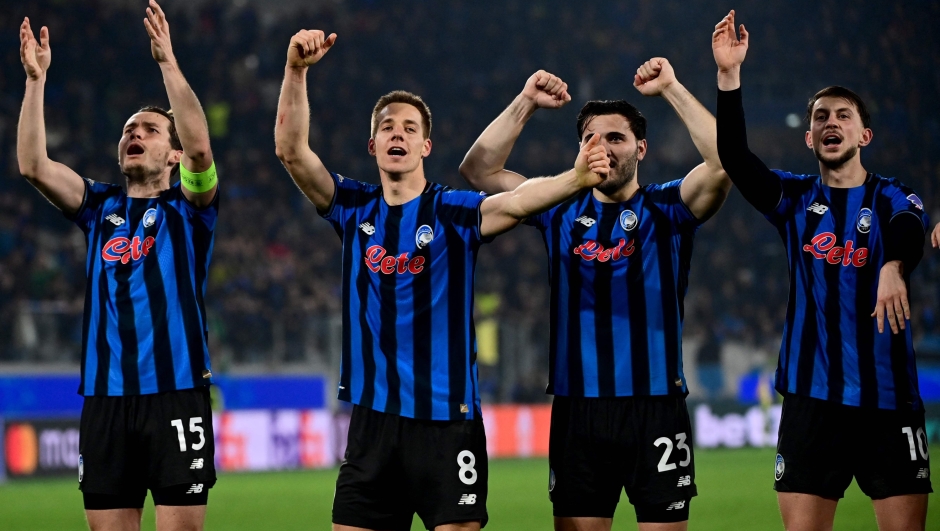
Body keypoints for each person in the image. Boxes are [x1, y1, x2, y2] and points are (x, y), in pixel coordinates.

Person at [273, 29, 611, 531]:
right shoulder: (353, 207)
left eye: (410, 128)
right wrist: (296, 71)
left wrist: (576, 178)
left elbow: (514, 202)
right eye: (387, 127)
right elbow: (291, 152)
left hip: (448, 422)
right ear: (372, 144)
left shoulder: (451, 210)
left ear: (425, 145)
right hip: (373, 423)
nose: (398, 134)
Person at [459, 60, 730, 531]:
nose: (601, 148)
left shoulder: (667, 208)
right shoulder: (556, 204)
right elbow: (478, 169)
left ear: (641, 149)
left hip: (656, 405)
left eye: (615, 138)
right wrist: (525, 102)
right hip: (578, 408)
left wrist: (671, 88)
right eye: (590, 139)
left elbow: (725, 162)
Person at [712, 10, 932, 531]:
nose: (830, 122)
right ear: (809, 139)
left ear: (866, 134)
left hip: (889, 401)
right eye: (820, 117)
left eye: (843, 115)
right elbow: (737, 158)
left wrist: (894, 266)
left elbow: (909, 224)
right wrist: (728, 77)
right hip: (812, 404)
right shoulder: (793, 199)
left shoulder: (890, 195)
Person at [17, 2, 219, 529]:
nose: (135, 133)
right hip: (105, 401)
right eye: (129, 128)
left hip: (175, 394)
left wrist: (168, 63)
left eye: (150, 129)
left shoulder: (190, 210)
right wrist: (35, 81)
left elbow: (200, 150)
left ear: (171, 155)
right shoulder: (99, 208)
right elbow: (33, 165)